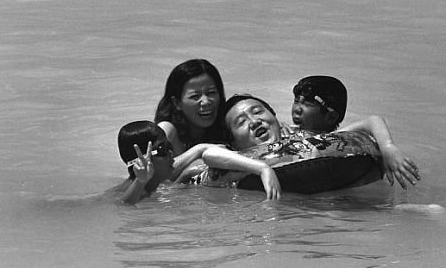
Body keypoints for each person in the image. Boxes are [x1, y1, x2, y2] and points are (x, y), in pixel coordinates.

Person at [290, 75, 420, 189]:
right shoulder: (288, 133)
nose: (297, 109)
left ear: (331, 117)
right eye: (296, 101)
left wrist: (387, 147)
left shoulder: (332, 141)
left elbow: (372, 120)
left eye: (307, 104)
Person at [115, 121, 281, 204]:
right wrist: (140, 181)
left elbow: (205, 152)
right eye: (163, 149)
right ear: (141, 160)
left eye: (169, 145)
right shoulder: (136, 188)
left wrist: (186, 175)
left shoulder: (157, 182)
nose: (171, 152)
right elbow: (124, 206)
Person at [154, 59, 226, 156]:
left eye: (211, 93)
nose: (206, 102)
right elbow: (159, 170)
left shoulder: (228, 126)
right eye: (195, 96)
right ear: (177, 103)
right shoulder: (167, 132)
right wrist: (199, 150)